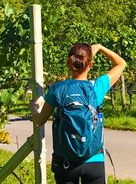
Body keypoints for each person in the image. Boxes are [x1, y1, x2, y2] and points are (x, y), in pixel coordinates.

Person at [30, 43, 126, 184]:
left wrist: (33, 107)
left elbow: (40, 120)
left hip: (65, 162)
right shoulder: (96, 88)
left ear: (69, 63)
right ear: (90, 64)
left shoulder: (57, 89)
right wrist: (100, 47)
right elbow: (121, 63)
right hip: (94, 160)